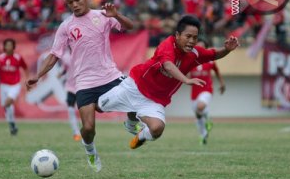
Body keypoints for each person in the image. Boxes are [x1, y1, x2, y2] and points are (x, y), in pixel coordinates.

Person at [26, 0, 136, 172]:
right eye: (70, 2)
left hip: (110, 76)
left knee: (136, 93)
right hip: (84, 83)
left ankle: (131, 123)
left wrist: (116, 15)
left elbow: (130, 26)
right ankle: (90, 151)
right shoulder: (66, 26)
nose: (75, 5)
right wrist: (38, 76)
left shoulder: (102, 16)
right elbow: (54, 55)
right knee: (88, 128)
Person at [98, 15, 239, 149]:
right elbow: (168, 65)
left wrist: (226, 49)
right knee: (97, 106)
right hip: (135, 86)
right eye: (188, 36)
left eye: (195, 38)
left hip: (155, 100)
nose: (191, 41)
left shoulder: (195, 53)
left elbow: (213, 54)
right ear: (177, 35)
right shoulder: (167, 45)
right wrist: (186, 79)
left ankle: (141, 136)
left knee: (157, 129)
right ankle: (130, 123)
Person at [189, 39, 225, 145]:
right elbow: (185, 74)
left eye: (202, 47)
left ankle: (208, 117)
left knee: (200, 107)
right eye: (197, 47)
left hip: (207, 89)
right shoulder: (190, 60)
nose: (200, 49)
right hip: (194, 92)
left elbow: (217, 71)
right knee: (198, 115)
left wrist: (222, 83)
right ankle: (203, 135)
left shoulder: (210, 60)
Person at [0, 38, 29, 135]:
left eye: (10, 45)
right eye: (7, 45)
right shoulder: (0, 58)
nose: (8, 47)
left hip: (15, 85)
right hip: (3, 85)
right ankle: (12, 124)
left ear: (13, 47)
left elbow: (25, 67)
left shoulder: (18, 57)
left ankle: (12, 123)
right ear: (4, 47)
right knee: (6, 106)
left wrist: (27, 79)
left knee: (8, 102)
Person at [58, 47, 82, 141]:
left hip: (82, 86)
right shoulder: (66, 56)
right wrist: (61, 73)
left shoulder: (83, 54)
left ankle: (85, 131)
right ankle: (76, 132)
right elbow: (64, 67)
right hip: (71, 87)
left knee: (84, 111)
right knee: (71, 110)